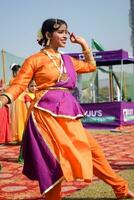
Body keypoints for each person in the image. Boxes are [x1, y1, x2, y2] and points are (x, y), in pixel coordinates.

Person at [0, 18, 133, 200]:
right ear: (48, 35)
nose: (65, 35)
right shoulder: (35, 60)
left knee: (94, 152)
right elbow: (19, 84)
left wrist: (84, 45)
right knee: (54, 162)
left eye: (65, 31)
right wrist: (3, 99)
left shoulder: (68, 60)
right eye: (60, 32)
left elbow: (91, 66)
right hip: (45, 116)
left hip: (68, 114)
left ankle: (120, 189)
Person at [9, 63, 29, 142]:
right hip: (18, 101)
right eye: (19, 71)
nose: (20, 72)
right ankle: (19, 135)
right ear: (15, 72)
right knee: (19, 117)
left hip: (23, 99)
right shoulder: (13, 80)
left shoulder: (22, 79)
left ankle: (25, 134)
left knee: (25, 117)